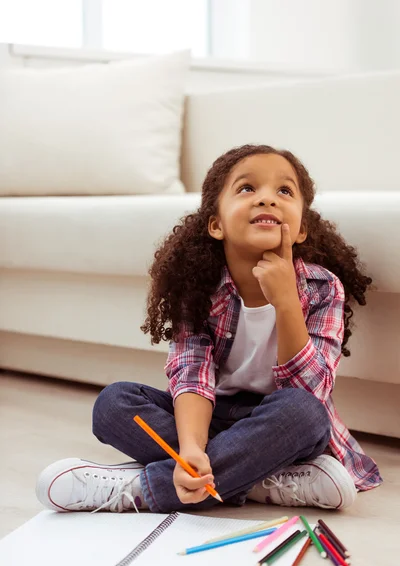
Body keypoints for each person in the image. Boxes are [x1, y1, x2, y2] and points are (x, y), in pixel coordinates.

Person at [36, 144, 382, 514]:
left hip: (281, 421)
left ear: (301, 230)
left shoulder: (322, 287)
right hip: (211, 415)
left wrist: (286, 303)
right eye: (247, 188)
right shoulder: (200, 288)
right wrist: (191, 449)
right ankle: (260, 481)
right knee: (113, 404)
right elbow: (192, 377)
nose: (267, 198)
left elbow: (309, 392)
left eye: (284, 191)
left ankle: (142, 490)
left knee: (303, 412)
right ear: (216, 224)